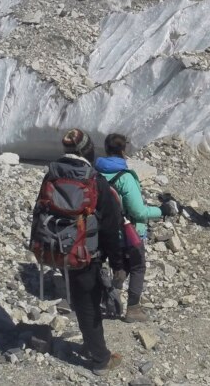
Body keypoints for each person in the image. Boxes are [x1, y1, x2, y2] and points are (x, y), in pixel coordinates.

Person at [51, 129, 125, 375]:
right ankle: (100, 358)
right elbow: (111, 225)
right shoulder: (94, 180)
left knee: (81, 298)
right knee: (89, 304)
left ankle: (92, 346)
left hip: (60, 247)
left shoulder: (52, 174)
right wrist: (117, 263)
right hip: (86, 253)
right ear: (87, 150)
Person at [95, 134, 179, 323]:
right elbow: (138, 212)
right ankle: (133, 309)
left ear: (106, 149)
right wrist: (161, 210)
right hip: (127, 232)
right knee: (137, 266)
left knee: (120, 264)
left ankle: (109, 297)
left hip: (103, 231)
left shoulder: (95, 174)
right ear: (124, 151)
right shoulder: (125, 178)